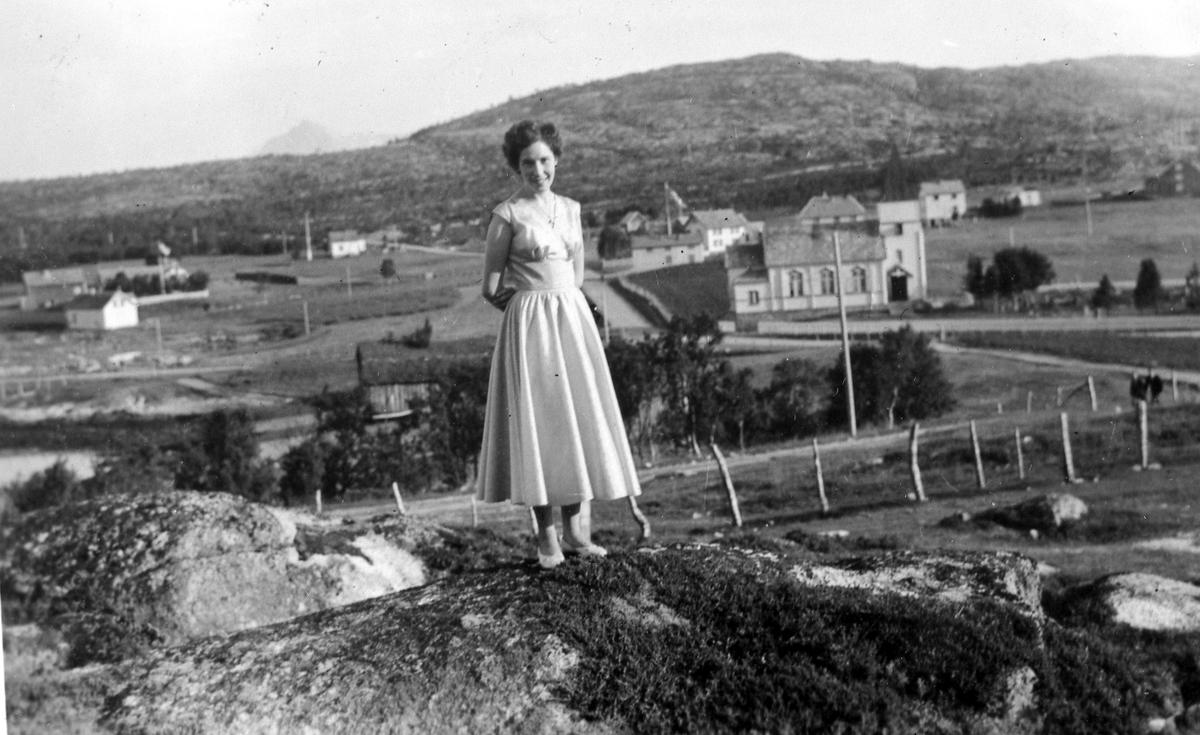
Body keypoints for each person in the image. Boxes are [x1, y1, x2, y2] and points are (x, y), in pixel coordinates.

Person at [475, 120, 641, 569]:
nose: (538, 169)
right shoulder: (506, 215)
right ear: (516, 166)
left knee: (572, 420)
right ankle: (546, 538)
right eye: (528, 162)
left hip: (571, 320)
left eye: (545, 160)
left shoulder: (571, 208)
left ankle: (575, 533)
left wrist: (564, 303)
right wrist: (529, 309)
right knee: (541, 423)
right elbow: (491, 286)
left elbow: (578, 270)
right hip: (532, 328)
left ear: (557, 160)